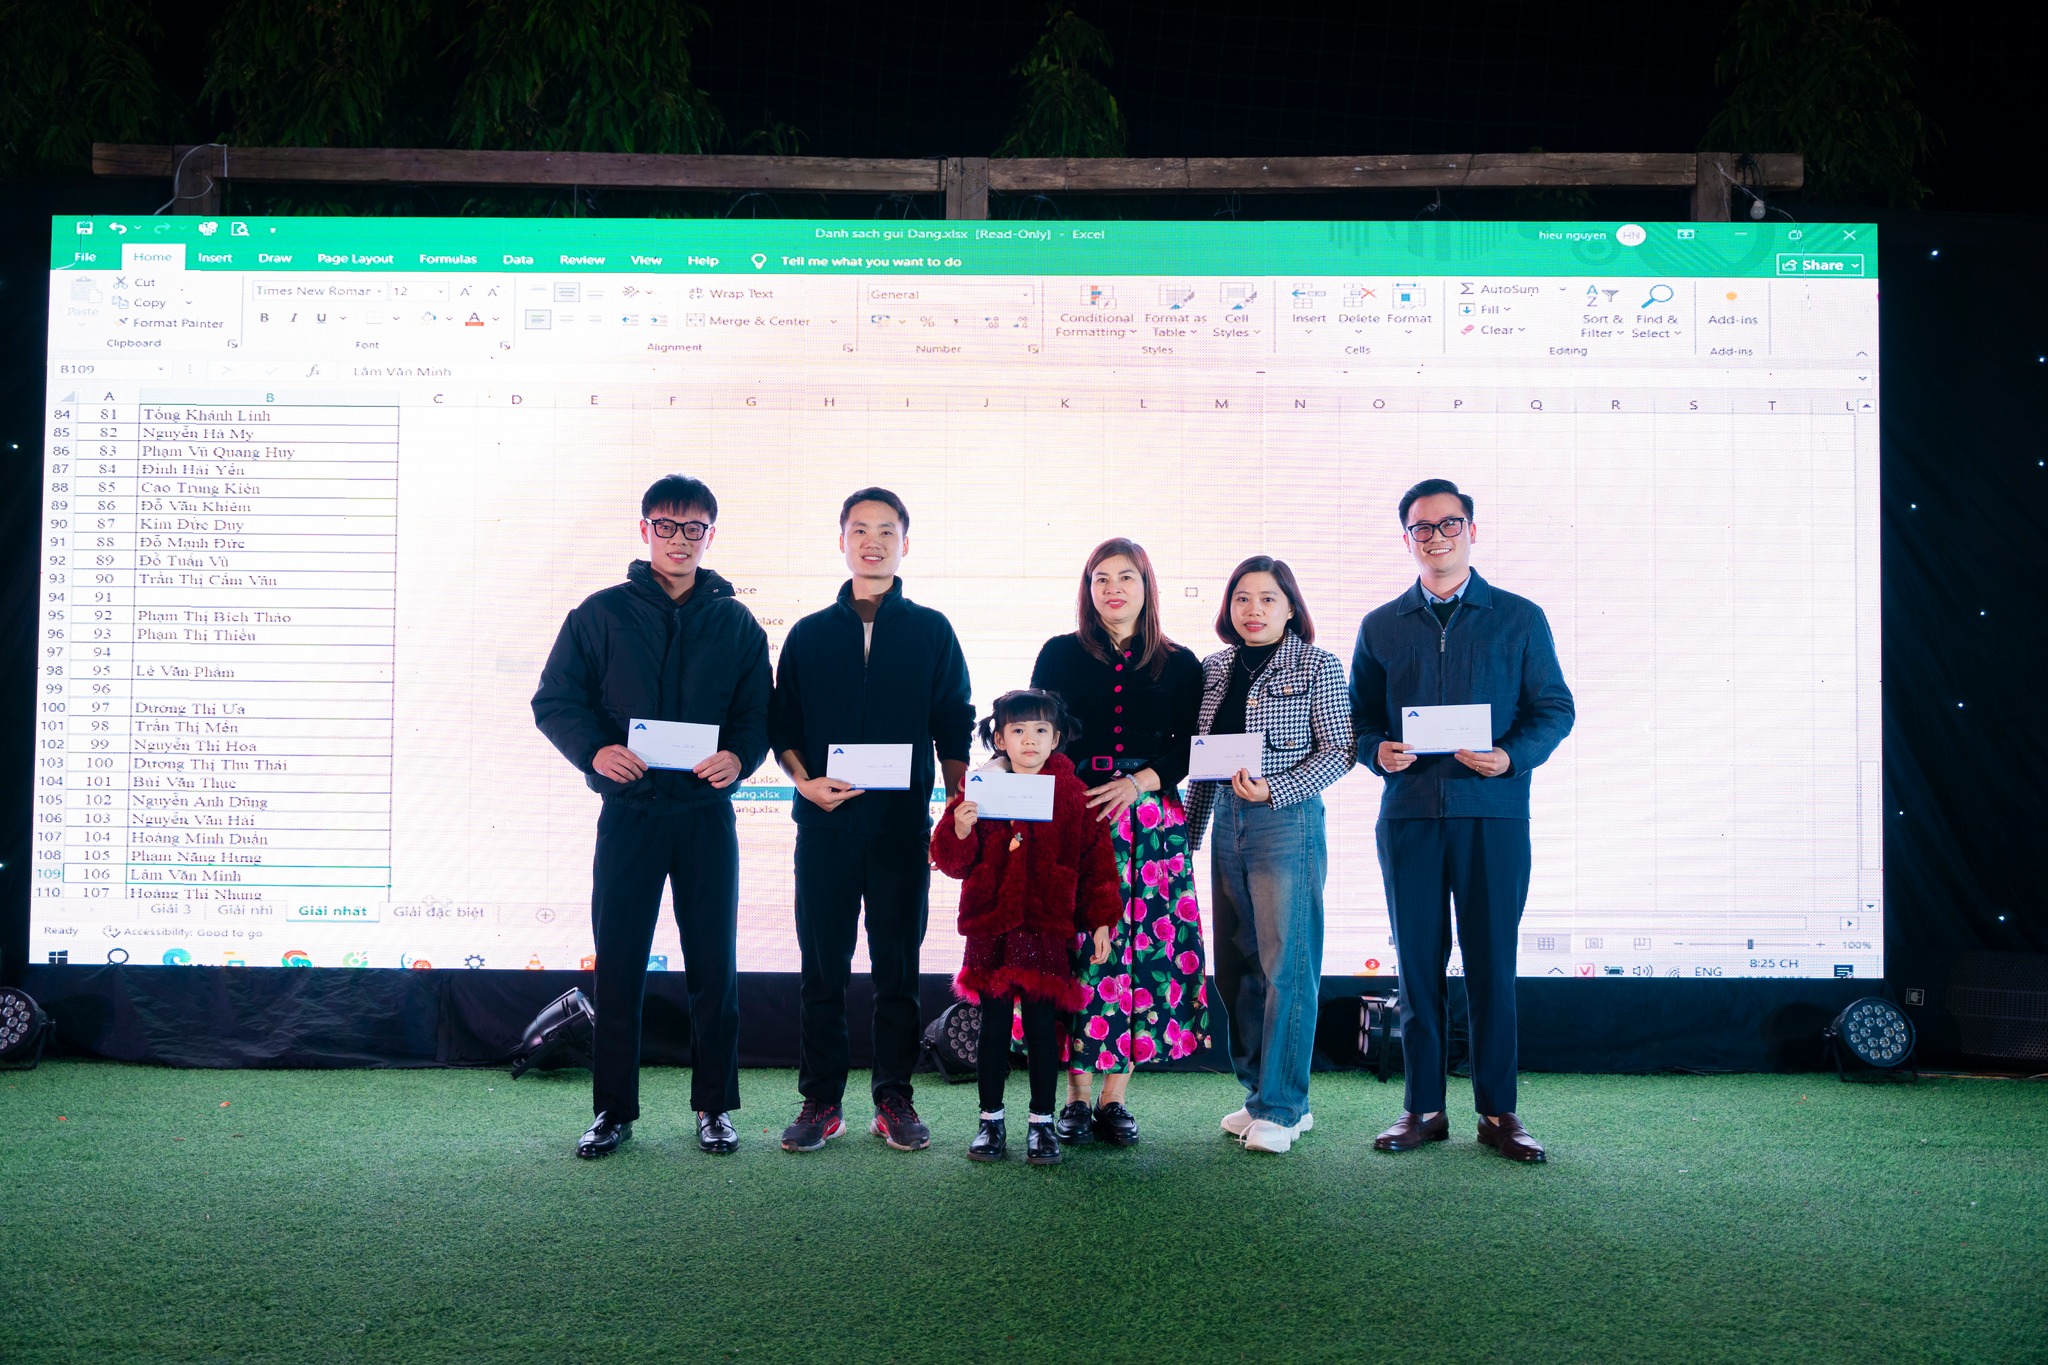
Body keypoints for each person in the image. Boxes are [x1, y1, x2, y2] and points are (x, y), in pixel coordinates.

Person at [532, 474, 770, 1159]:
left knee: (714, 966)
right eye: (666, 526)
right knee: (620, 965)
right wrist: (595, 749)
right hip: (630, 815)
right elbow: (555, 700)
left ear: (710, 535)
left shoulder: (737, 624)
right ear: (645, 531)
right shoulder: (600, 614)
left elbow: (758, 714)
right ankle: (613, 1110)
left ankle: (714, 1107)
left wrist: (739, 757)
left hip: (703, 816)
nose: (679, 539)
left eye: (693, 528)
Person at [1350, 478, 1575, 1163]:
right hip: (1410, 815)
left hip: (1493, 814)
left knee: (1491, 967)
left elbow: (1554, 708)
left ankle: (1498, 1112)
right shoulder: (1381, 626)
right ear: (1407, 539)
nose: (1437, 536)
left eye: (1449, 524)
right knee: (1418, 968)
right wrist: (1375, 751)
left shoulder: (1519, 618)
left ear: (1471, 531)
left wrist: (1510, 758)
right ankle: (1423, 1108)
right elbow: (1359, 719)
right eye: (1422, 527)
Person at [768, 487, 974, 1154]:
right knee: (821, 971)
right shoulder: (808, 633)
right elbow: (782, 725)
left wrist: (956, 798)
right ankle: (821, 1100)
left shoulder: (932, 630)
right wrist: (805, 782)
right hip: (824, 827)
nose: (873, 541)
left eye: (887, 531)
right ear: (842, 541)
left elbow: (953, 719)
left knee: (897, 970)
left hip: (898, 828)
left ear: (905, 544)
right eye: (860, 530)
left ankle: (894, 1097)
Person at [1030, 538, 1208, 1147]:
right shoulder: (1059, 653)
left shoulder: (1180, 663)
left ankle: (1114, 1098)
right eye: (1100, 578)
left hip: (1151, 821)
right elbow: (1039, 733)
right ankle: (1076, 1098)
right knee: (1080, 949)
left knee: (1139, 952)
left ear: (1146, 585)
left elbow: (1190, 748)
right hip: (1076, 813)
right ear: (1088, 589)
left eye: (1126, 577)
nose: (1113, 589)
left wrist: (1138, 783)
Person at [1184, 557, 1354, 1154]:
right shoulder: (1214, 668)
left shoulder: (1317, 664)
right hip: (1226, 820)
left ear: (1290, 607)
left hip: (1285, 821)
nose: (1253, 610)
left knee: (1287, 965)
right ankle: (1261, 1095)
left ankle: (1285, 1106)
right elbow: (1202, 757)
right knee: (1236, 966)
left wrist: (1275, 789)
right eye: (1242, 598)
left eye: (1267, 599)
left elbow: (1340, 750)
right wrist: (1189, 831)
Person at [931, 690, 1120, 1165]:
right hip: (991, 925)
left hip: (1045, 926)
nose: (1029, 740)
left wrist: (1101, 920)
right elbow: (951, 862)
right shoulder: (978, 788)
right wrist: (959, 829)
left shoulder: (1073, 793)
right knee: (992, 1028)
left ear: (1056, 738)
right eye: (1017, 730)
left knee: (1041, 1028)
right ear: (1000, 739)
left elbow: (1097, 863)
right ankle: (990, 1122)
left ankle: (1041, 1124)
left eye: (1040, 730)